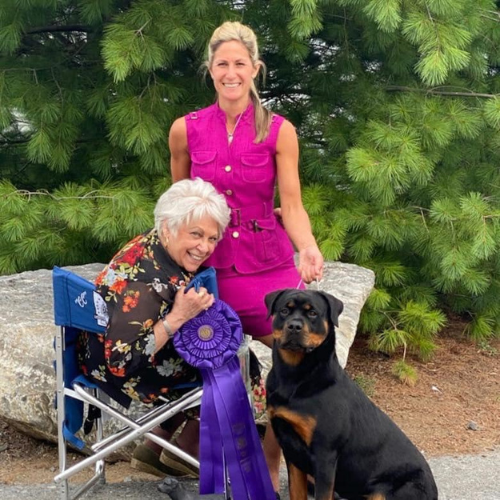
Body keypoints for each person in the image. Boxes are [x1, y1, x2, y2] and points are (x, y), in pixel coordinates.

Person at [168, 21, 324, 497]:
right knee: (214, 362)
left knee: (297, 363)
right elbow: (179, 205)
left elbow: (292, 206)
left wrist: (307, 246)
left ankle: (271, 468)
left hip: (270, 268)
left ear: (255, 68)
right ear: (210, 69)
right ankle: (204, 461)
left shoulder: (280, 131)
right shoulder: (185, 130)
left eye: (240, 64)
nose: (231, 73)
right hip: (213, 271)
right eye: (222, 64)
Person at [77, 177, 230, 478]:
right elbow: (121, 361)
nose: (205, 247)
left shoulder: (154, 244)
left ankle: (154, 447)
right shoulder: (145, 284)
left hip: (100, 350)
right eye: (196, 235)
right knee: (228, 361)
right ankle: (187, 450)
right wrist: (178, 317)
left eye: (212, 238)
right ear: (168, 228)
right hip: (117, 368)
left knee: (218, 348)